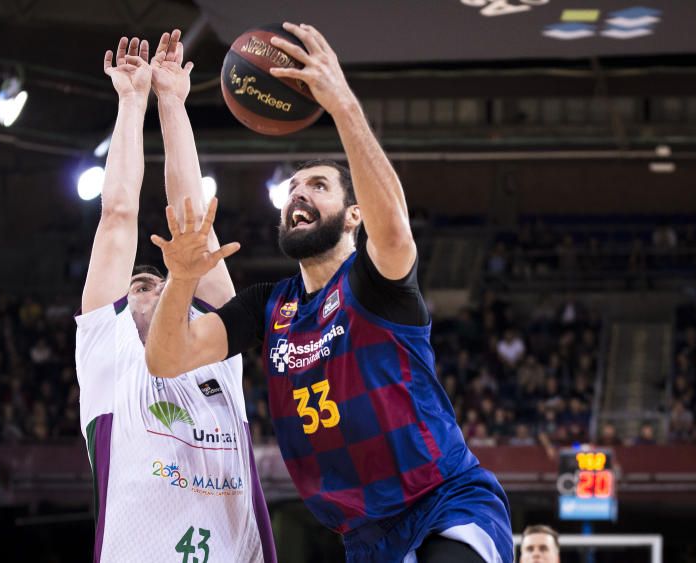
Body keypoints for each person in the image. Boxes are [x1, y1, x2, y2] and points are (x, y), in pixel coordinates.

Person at [144, 22, 512, 563]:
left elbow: (394, 229)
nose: (299, 194)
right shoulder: (267, 306)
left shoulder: (374, 281)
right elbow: (165, 357)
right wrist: (179, 278)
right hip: (363, 538)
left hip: (444, 504)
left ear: (353, 216)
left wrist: (342, 105)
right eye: (293, 187)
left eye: (317, 185)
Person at [74, 31, 273, 563]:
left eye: (163, 282)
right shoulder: (106, 356)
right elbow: (117, 215)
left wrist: (174, 102)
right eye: (141, 285)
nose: (155, 285)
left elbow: (195, 222)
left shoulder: (215, 348)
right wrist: (133, 99)